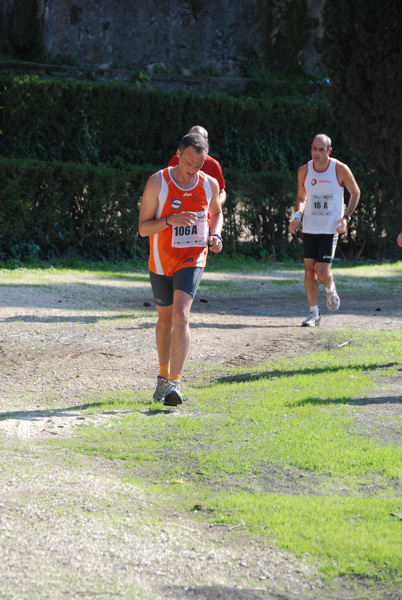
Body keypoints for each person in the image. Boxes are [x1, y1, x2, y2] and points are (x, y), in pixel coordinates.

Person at [139, 132, 223, 406]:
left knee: (180, 315)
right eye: (187, 163)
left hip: (193, 256)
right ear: (178, 154)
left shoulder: (209, 184)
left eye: (198, 166)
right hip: (162, 260)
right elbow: (143, 229)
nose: (191, 170)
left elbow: (217, 212)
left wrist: (216, 235)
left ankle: (175, 382)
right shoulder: (158, 182)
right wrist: (170, 220)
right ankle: (162, 378)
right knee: (164, 321)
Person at [288, 133, 360, 327]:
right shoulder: (304, 170)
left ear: (329, 151)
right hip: (310, 228)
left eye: (321, 150)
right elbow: (301, 198)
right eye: (314, 148)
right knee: (309, 270)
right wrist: (297, 217)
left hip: (330, 229)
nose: (316, 153)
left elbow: (355, 192)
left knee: (321, 272)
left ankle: (330, 287)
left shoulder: (340, 169)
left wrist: (346, 218)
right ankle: (314, 313)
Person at [168, 125, 227, 206]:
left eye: (197, 166)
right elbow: (166, 185)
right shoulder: (176, 159)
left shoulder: (213, 164)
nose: (194, 143)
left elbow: (221, 192)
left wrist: (213, 207)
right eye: (190, 139)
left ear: (206, 142)